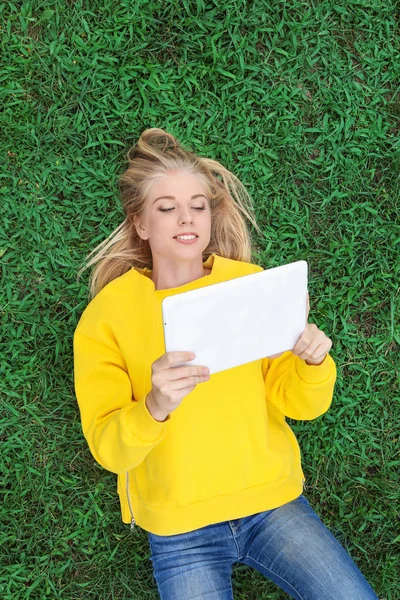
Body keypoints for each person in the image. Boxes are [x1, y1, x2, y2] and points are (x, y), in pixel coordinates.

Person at [73, 128, 379, 599]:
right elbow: (109, 448)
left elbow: (299, 404)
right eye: (166, 207)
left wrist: (313, 363)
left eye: (198, 205)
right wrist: (154, 405)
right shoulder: (106, 318)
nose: (186, 217)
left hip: (271, 503)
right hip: (180, 528)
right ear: (140, 224)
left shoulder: (250, 286)